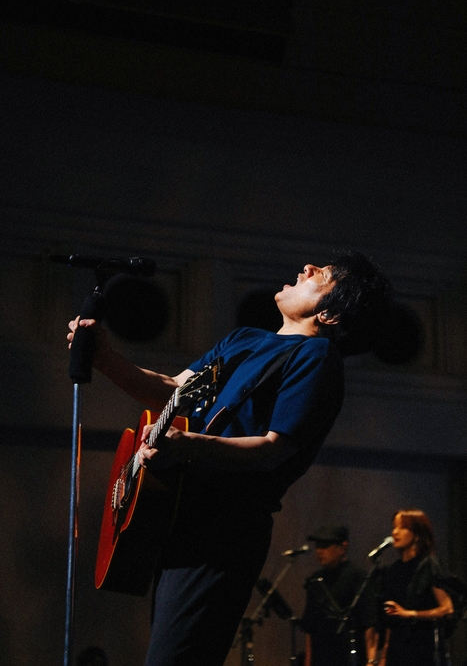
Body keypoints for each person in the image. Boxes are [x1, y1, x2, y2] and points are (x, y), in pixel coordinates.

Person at [67, 251, 391, 666]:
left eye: (323, 275)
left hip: (224, 532)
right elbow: (174, 390)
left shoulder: (316, 356)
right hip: (184, 520)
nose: (307, 268)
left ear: (329, 314)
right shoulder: (243, 339)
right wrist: (107, 361)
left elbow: (274, 450)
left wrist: (187, 444)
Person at [378, 508, 454, 666]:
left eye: (402, 527)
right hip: (397, 649)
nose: (395, 532)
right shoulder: (394, 570)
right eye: (394, 527)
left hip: (423, 647)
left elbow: (447, 608)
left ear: (417, 534)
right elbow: (391, 618)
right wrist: (384, 655)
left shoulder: (428, 564)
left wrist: (410, 614)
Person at [300, 525, 379, 666]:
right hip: (321, 657)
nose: (319, 551)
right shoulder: (315, 580)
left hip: (349, 656)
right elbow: (310, 627)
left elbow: (369, 623)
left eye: (325, 546)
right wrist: (308, 661)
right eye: (317, 546)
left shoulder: (357, 577)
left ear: (342, 547)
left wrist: (371, 661)